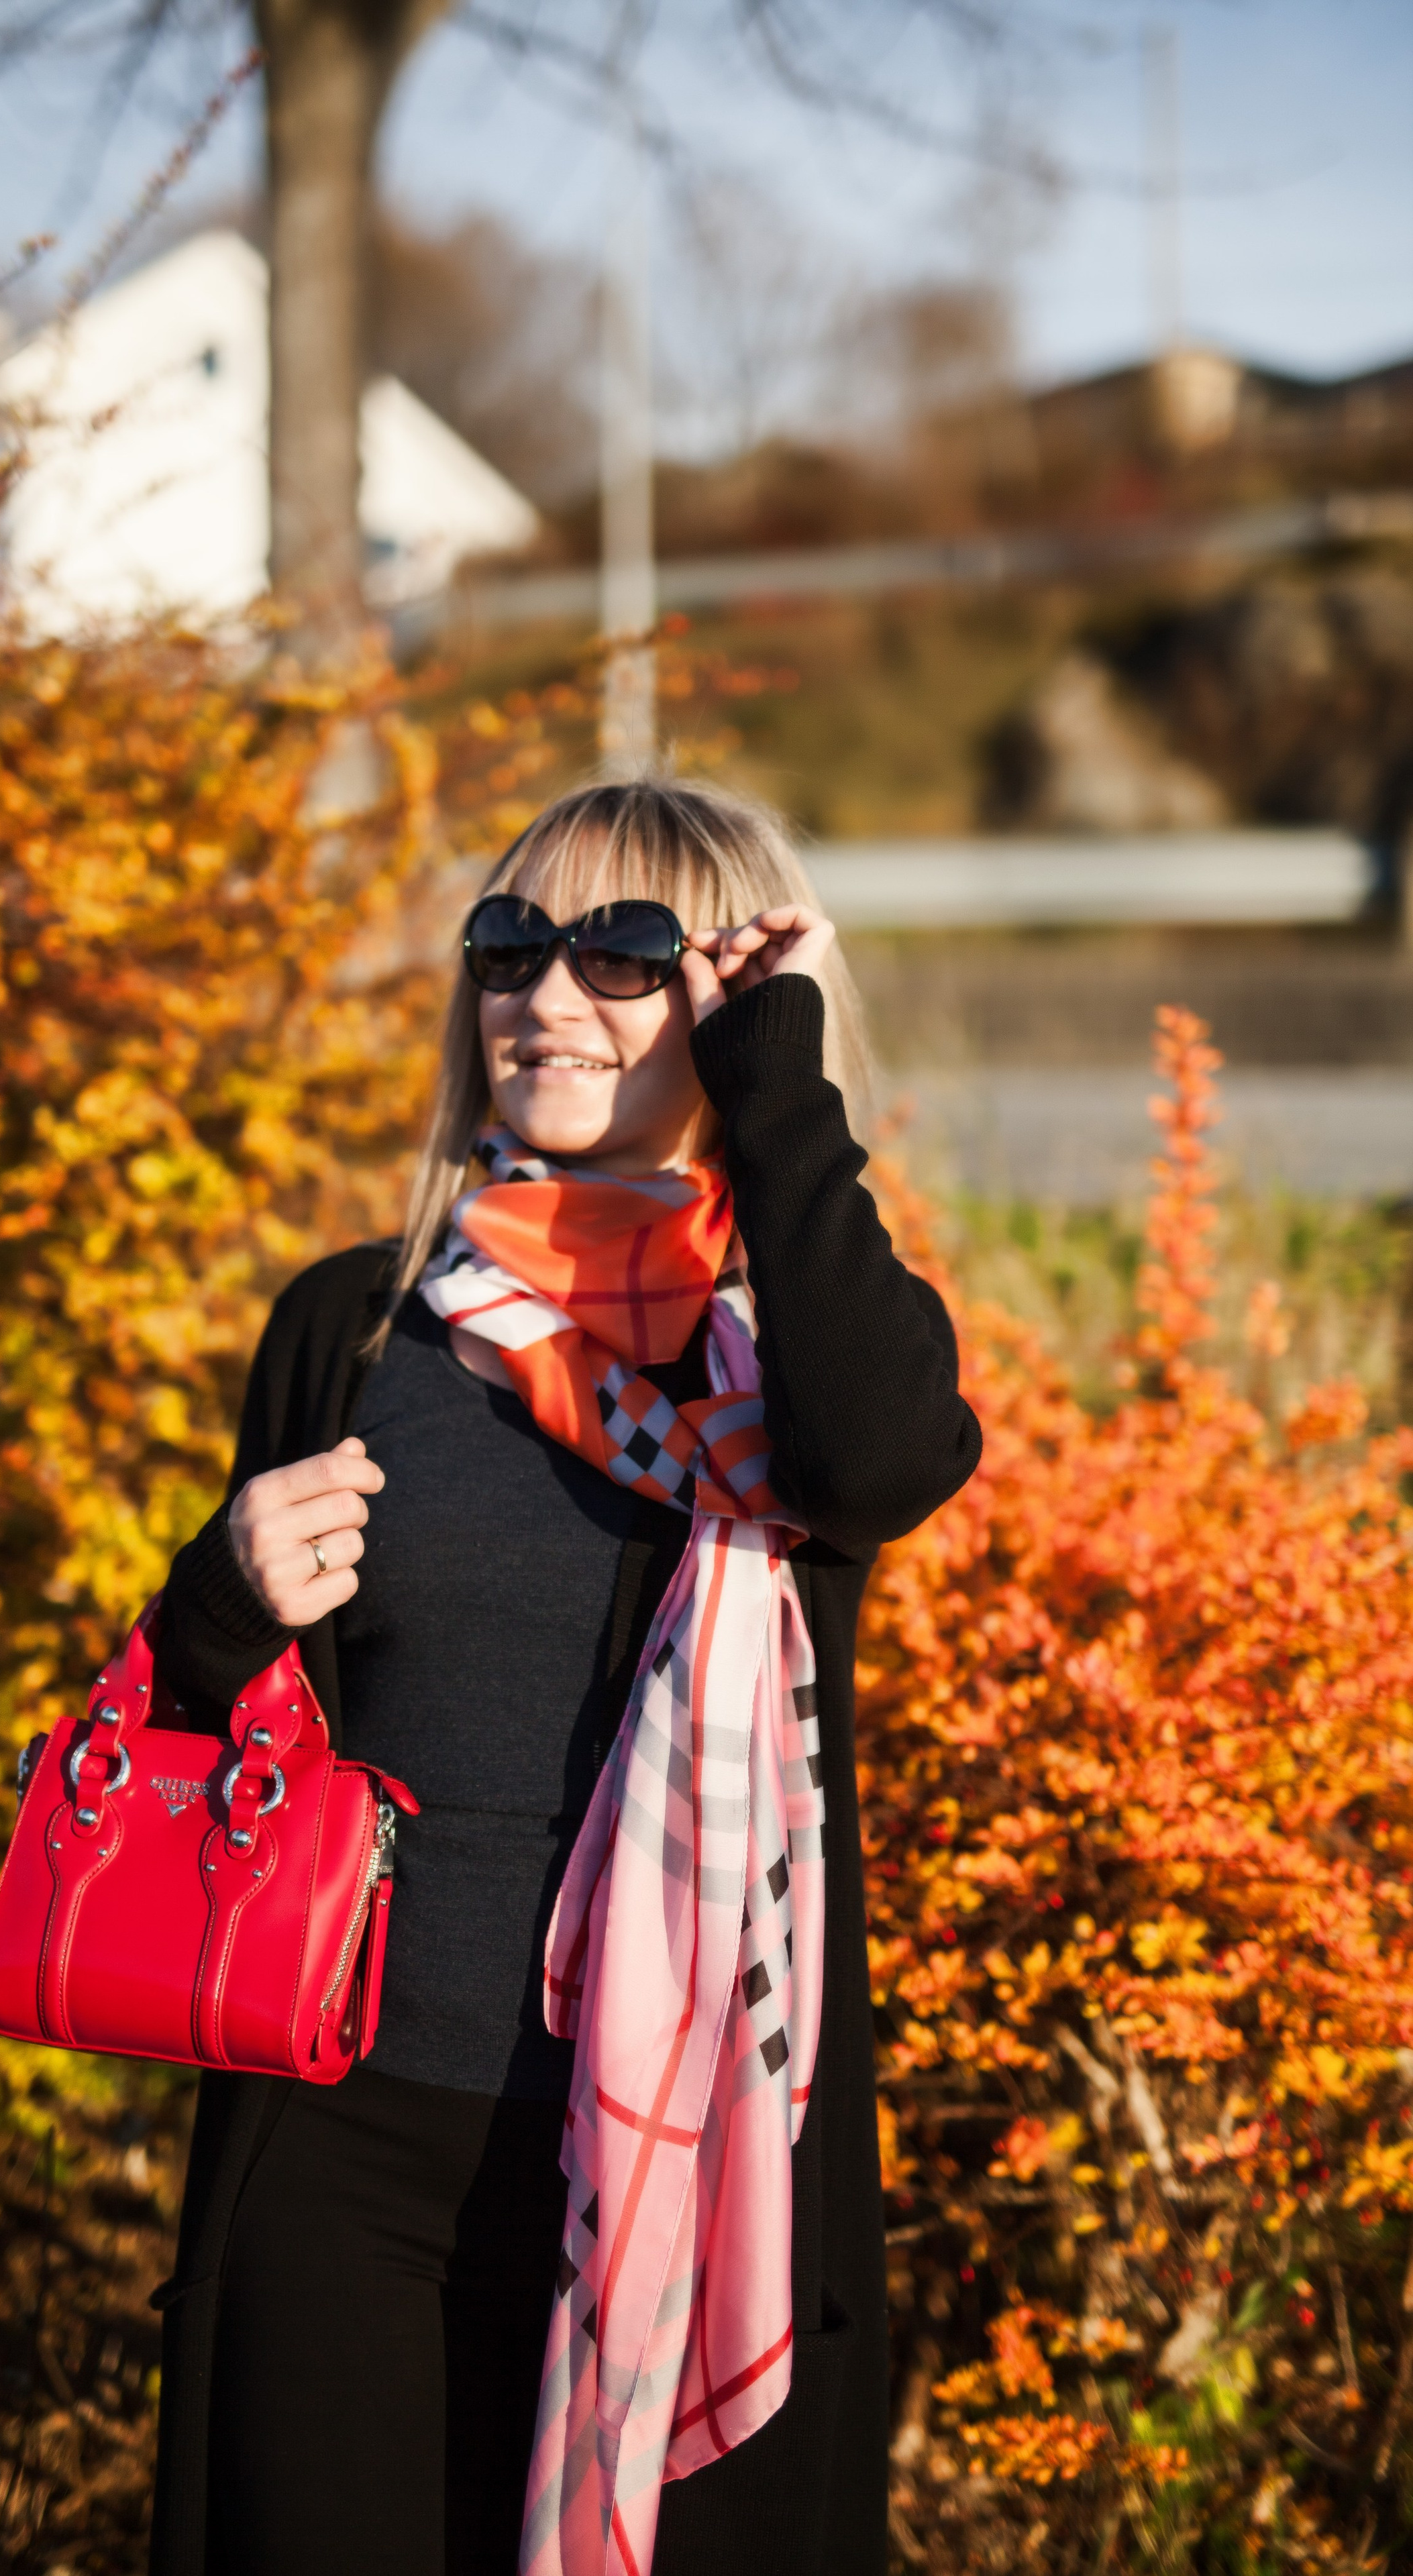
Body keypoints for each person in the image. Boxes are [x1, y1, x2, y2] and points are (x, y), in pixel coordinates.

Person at [146, 780, 981, 2576]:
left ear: (736, 1003)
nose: (547, 993)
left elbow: (882, 1464)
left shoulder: (789, 1353)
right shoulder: (353, 1323)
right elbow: (210, 1734)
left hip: (685, 2177)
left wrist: (783, 1077)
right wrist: (217, 1604)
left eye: (624, 956)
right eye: (512, 946)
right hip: (341, 2145)